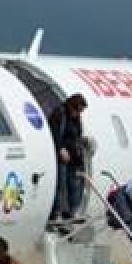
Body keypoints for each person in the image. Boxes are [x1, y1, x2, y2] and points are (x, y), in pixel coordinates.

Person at [49, 93, 89, 222]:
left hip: (73, 157)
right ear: (72, 106)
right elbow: (53, 133)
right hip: (61, 156)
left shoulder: (76, 118)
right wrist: (60, 148)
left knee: (74, 185)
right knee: (60, 185)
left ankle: (73, 211)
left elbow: (76, 135)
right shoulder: (59, 114)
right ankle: (57, 213)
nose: (78, 114)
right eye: (78, 110)